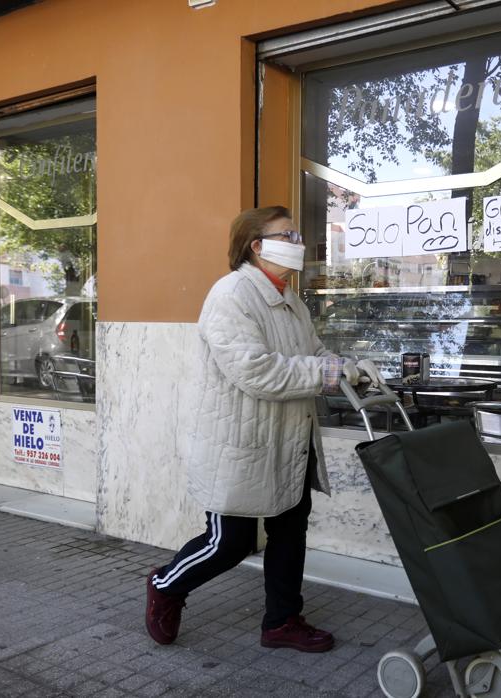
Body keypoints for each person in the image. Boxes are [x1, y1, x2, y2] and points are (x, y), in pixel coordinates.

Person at [144, 206, 382, 652]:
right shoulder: (232, 295)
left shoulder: (290, 300)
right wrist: (328, 373)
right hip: (240, 441)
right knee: (228, 543)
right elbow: (258, 372)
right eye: (287, 234)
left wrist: (347, 365)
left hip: (289, 438)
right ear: (257, 245)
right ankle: (166, 585)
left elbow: (312, 352)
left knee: (290, 532)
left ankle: (282, 621)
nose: (297, 242)